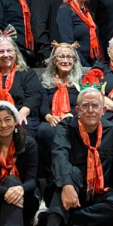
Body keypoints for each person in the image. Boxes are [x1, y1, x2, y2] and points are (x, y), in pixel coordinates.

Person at [38, 87, 113, 226]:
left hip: (97, 192)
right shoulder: (65, 127)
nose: (90, 110)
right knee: (72, 171)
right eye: (85, 106)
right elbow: (59, 156)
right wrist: (67, 185)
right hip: (66, 189)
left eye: (95, 106)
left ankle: (64, 217)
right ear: (77, 110)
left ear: (103, 110)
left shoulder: (112, 131)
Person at [36, 42, 83, 177]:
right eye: (61, 57)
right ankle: (51, 175)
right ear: (54, 61)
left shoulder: (81, 81)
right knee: (44, 131)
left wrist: (69, 115)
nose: (65, 60)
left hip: (73, 118)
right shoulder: (44, 81)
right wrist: (48, 116)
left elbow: (83, 103)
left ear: (74, 61)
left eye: (69, 57)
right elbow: (41, 102)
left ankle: (69, 173)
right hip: (51, 119)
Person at [57, 0, 100, 66]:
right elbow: (68, 43)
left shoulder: (88, 12)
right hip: (77, 64)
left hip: (93, 62)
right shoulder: (65, 10)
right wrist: (84, 66)